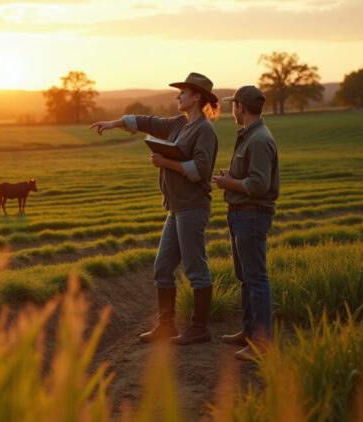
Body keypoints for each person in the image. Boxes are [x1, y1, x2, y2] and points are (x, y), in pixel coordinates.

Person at [90, 72, 219, 345]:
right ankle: (166, 327)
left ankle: (199, 329)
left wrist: (166, 163)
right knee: (162, 267)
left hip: (192, 207)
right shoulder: (179, 124)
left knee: (195, 267)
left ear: (197, 96)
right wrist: (113, 123)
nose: (177, 96)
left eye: (182, 92)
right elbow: (147, 121)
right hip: (176, 208)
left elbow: (201, 170)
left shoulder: (204, 130)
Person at [213, 85, 279, 360]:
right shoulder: (250, 136)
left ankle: (262, 344)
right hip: (241, 214)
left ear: (240, 107)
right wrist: (233, 176)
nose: (232, 109)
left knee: (256, 279)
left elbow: (260, 184)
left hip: (252, 215)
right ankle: (249, 331)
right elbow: (250, 176)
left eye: (233, 105)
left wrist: (230, 183)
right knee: (245, 278)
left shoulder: (260, 140)